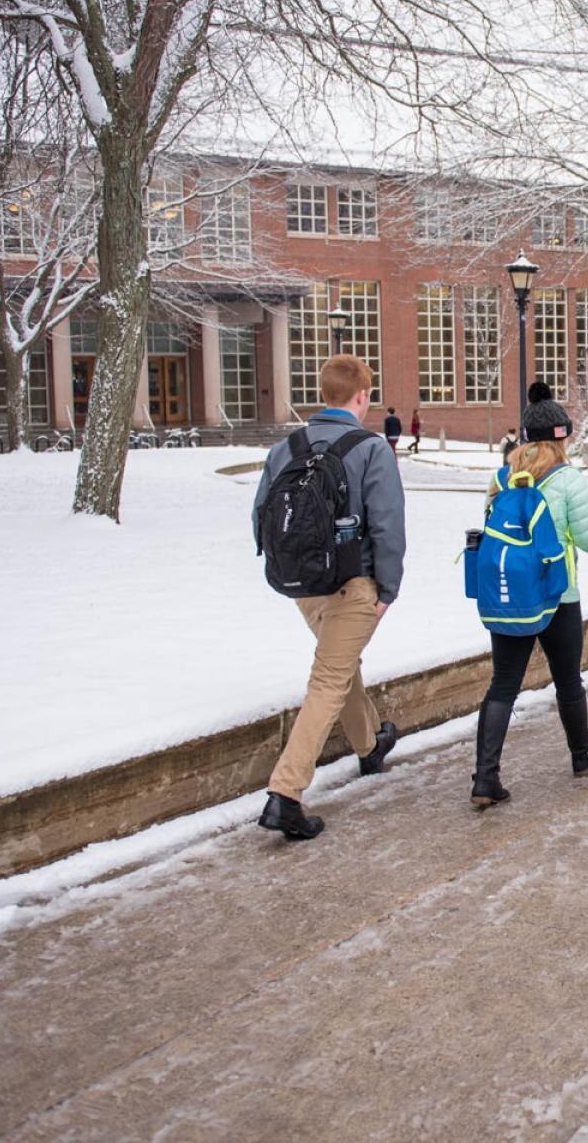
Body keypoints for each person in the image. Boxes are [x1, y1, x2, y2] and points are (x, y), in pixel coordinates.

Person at [251, 355, 407, 839]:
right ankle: (286, 794)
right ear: (362, 396)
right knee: (329, 681)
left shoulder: (287, 447)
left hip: (304, 586)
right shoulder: (371, 448)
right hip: (352, 584)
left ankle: (370, 745)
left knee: (340, 668)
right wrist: (388, 588)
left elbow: (261, 516)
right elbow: (387, 525)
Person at [470, 382, 588, 808]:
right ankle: (581, 752)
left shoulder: (502, 477)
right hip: (558, 596)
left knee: (502, 684)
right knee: (567, 679)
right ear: (562, 436)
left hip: (511, 597)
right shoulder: (567, 480)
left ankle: (485, 778)